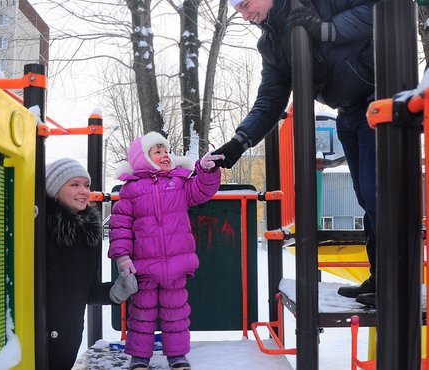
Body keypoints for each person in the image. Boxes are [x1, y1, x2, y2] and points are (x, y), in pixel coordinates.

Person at [213, 0, 378, 306]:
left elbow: (379, 9)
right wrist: (240, 141)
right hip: (349, 114)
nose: (247, 15)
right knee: (366, 197)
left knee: (377, 192)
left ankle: (394, 279)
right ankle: (381, 276)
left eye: (247, 5)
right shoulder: (273, 43)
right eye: (240, 12)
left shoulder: (316, 4)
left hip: (380, 101)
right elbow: (271, 100)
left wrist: (328, 30)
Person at [108, 132, 223, 370]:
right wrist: (122, 258)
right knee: (142, 313)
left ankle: (177, 355)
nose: (164, 155)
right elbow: (120, 226)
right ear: (143, 159)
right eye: (157, 152)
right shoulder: (131, 190)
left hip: (176, 263)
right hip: (144, 266)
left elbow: (202, 190)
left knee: (176, 313)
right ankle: (139, 357)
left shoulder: (179, 182)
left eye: (166, 151)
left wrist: (206, 169)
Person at [45, 158, 138, 369]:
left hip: (69, 334)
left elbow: (87, 290)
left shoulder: (87, 235)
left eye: (86, 185)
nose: (84, 191)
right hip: (34, 332)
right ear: (55, 190)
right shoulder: (38, 227)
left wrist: (114, 293)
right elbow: (4, 275)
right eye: (74, 184)